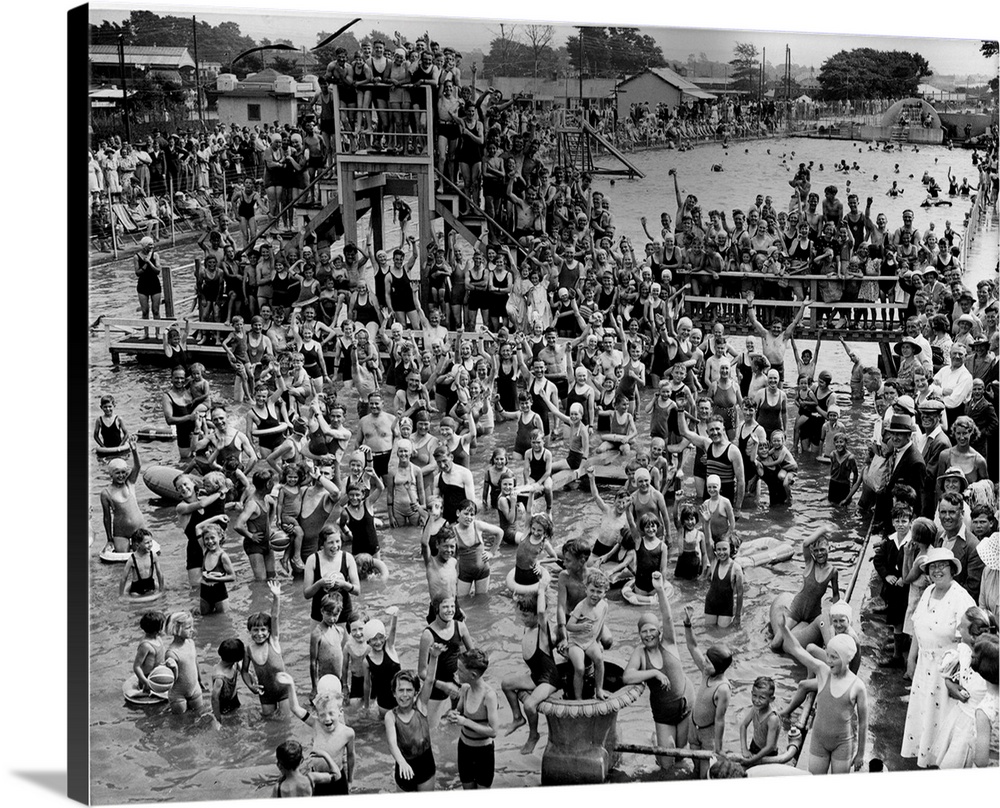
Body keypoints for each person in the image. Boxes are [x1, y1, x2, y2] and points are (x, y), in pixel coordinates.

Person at [903, 547, 978, 767]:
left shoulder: (961, 598)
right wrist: (911, 659)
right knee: (924, 716)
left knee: (943, 721)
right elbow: (918, 625)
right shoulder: (928, 591)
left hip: (948, 672)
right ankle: (925, 758)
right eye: (932, 566)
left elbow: (969, 642)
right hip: (924, 667)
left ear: (952, 569)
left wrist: (955, 676)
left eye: (942, 565)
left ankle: (940, 764)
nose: (937, 570)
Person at [778, 614, 868, 773]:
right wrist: (784, 629)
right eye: (828, 656)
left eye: (834, 657)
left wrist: (860, 753)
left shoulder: (857, 686)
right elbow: (798, 650)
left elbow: (863, 723)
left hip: (843, 743)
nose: (829, 661)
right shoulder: (822, 672)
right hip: (819, 740)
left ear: (846, 659)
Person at [622, 571, 693, 773]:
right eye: (644, 631)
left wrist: (660, 589)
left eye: (652, 630)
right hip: (663, 712)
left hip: (684, 706)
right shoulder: (640, 653)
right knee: (666, 764)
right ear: (639, 635)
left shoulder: (669, 643)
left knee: (681, 756)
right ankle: (656, 743)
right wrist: (653, 674)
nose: (648, 634)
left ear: (659, 631)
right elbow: (627, 676)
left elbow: (668, 616)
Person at [683, 604, 733, 778]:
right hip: (694, 726)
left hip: (708, 733)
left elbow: (720, 720)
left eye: (708, 663)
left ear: (719, 668)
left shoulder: (723, 689)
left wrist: (718, 748)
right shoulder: (707, 673)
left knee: (706, 774)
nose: (704, 664)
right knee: (695, 768)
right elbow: (692, 646)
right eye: (705, 660)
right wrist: (688, 625)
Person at [445, 648, 499, 789]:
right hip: (464, 749)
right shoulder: (465, 689)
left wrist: (466, 722)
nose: (456, 673)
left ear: (473, 675)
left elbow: (493, 731)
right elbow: (459, 711)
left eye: (460, 671)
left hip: (483, 753)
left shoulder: (489, 696)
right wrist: (453, 714)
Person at [384, 655, 440, 792]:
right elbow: (392, 744)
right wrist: (401, 762)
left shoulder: (421, 706)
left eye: (409, 690)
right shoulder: (391, 716)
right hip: (403, 767)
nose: (405, 695)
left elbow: (430, 681)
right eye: (400, 690)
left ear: (415, 692)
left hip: (425, 766)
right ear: (394, 693)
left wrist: (433, 657)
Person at [560, 568, 611, 701]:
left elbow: (600, 624)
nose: (595, 595)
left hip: (590, 641)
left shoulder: (604, 606)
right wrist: (580, 626)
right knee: (580, 668)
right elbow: (569, 626)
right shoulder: (581, 606)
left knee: (599, 660)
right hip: (576, 642)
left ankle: (599, 689)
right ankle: (578, 698)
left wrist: (598, 641)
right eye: (592, 591)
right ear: (586, 590)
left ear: (605, 593)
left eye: (599, 592)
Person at [303, 526, 361, 626]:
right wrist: (319, 583)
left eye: (338, 541)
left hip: (343, 614)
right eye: (330, 542)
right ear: (323, 543)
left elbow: (357, 591)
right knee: (318, 641)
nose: (335, 546)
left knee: (345, 642)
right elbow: (307, 594)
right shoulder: (312, 560)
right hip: (319, 614)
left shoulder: (348, 558)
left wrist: (344, 584)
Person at [100, 439, 145, 554]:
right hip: (121, 532)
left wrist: (134, 450)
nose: (121, 476)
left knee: (142, 555)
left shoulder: (129, 482)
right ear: (111, 474)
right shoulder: (106, 493)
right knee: (121, 559)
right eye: (117, 473)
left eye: (124, 472)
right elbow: (107, 518)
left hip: (138, 527)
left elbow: (138, 466)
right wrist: (109, 539)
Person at [163, 611, 207, 716]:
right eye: (188, 628)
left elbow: (195, 662)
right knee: (181, 720)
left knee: (199, 713)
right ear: (176, 629)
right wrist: (172, 667)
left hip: (195, 687)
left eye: (191, 626)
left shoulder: (191, 643)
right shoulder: (172, 653)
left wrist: (200, 680)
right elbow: (173, 678)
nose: (192, 630)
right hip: (178, 694)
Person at [309, 593, 346, 700]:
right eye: (328, 614)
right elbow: (313, 662)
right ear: (322, 611)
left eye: (335, 615)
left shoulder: (340, 631)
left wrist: (344, 684)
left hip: (337, 680)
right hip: (323, 682)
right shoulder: (317, 633)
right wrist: (314, 687)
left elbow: (342, 660)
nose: (332, 618)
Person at [738, 677, 781, 768]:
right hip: (754, 746)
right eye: (754, 695)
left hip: (769, 754)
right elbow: (743, 726)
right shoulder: (755, 709)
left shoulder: (772, 718)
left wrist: (752, 760)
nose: (756, 701)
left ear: (772, 699)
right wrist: (744, 749)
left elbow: (770, 746)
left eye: (762, 698)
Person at [197, 522, 234, 615]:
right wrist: (216, 519)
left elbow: (233, 577)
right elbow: (197, 527)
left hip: (219, 594)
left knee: (223, 620)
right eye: (206, 539)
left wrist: (214, 578)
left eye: (213, 537)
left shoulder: (223, 556)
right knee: (205, 620)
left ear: (220, 537)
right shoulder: (205, 551)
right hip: (204, 594)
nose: (210, 541)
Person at [209, 638, 245, 727]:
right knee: (228, 724)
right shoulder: (219, 677)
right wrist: (217, 719)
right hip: (223, 705)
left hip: (234, 699)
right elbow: (214, 698)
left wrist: (252, 680)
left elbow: (244, 670)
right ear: (235, 658)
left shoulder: (234, 664)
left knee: (238, 720)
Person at [119, 528, 163, 599]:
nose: (150, 545)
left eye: (151, 542)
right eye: (147, 543)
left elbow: (159, 573)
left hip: (150, 587)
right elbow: (124, 578)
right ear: (138, 544)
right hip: (136, 590)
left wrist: (161, 590)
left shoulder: (153, 556)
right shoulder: (132, 559)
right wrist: (121, 595)